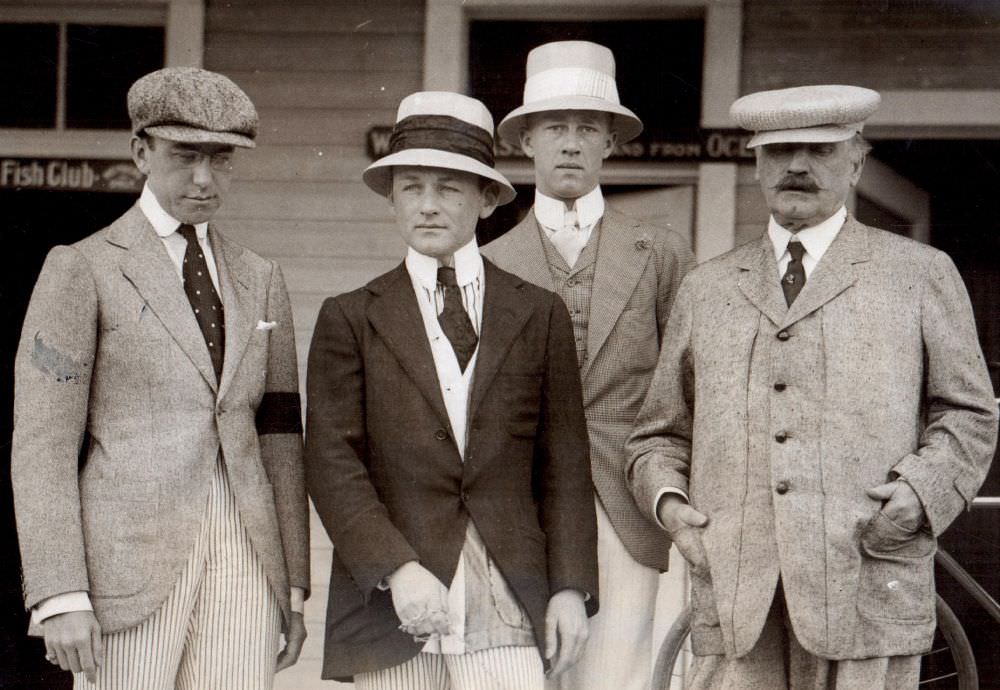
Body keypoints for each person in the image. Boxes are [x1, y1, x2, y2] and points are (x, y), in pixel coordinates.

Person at [626, 84, 998, 689]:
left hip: (866, 577)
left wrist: (918, 498)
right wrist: (671, 507)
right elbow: (658, 434)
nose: (796, 166)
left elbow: (970, 416)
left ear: (856, 162)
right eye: (779, 151)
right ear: (756, 166)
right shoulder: (707, 288)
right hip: (737, 593)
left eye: (819, 150)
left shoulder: (920, 274)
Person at [11, 67, 309, 689]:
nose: (203, 178)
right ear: (141, 152)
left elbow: (281, 434)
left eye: (220, 158)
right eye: (184, 155)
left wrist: (296, 581)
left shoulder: (262, 278)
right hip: (127, 569)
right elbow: (43, 446)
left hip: (246, 563)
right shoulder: (82, 269)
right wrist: (60, 592)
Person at [304, 90, 598, 689]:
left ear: (488, 197)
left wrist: (569, 586)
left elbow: (564, 464)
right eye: (411, 187)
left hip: (510, 596)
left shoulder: (538, 313)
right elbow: (332, 461)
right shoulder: (352, 317)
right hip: (397, 603)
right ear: (391, 197)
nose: (429, 206)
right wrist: (395, 568)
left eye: (450, 188)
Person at [482, 40, 695, 690]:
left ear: (610, 143)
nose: (570, 143)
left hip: (629, 506)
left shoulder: (659, 253)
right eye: (554, 128)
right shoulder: (487, 261)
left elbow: (687, 389)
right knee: (523, 673)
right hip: (522, 507)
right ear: (525, 142)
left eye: (585, 128)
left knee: (623, 676)